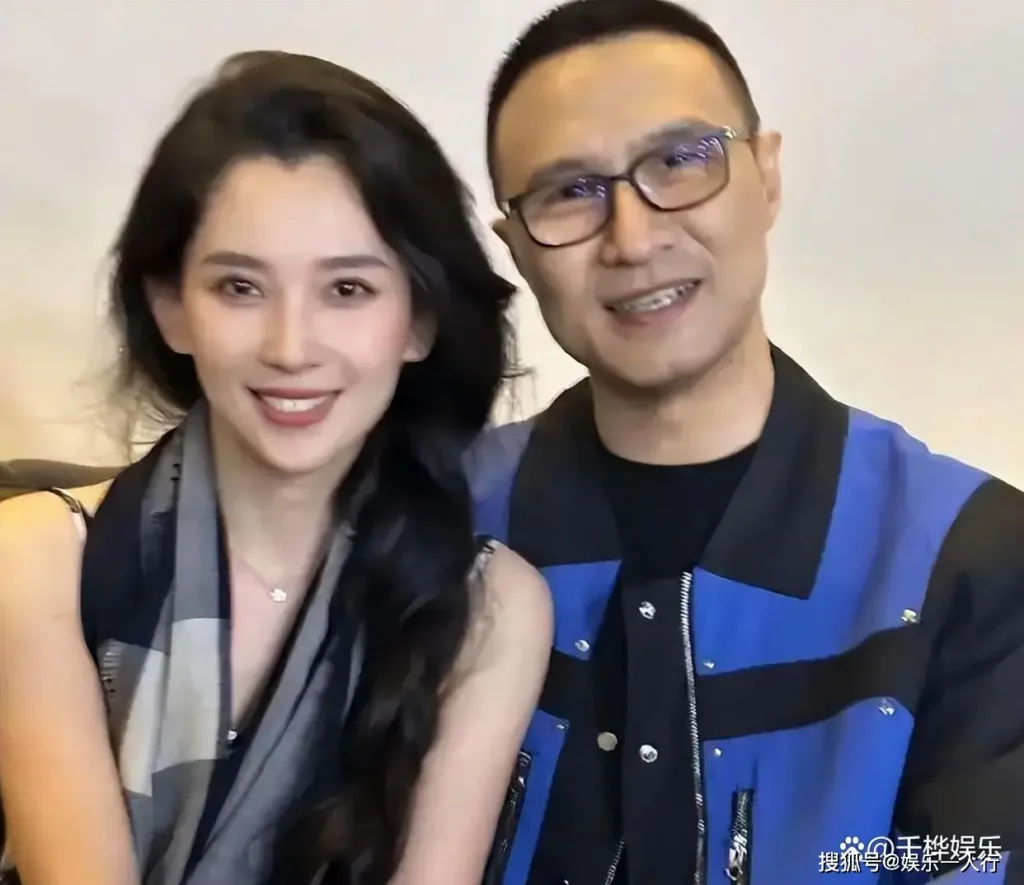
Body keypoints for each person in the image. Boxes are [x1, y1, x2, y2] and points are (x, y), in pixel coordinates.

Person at [468, 1, 1024, 883]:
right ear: (516, 248)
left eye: (679, 160)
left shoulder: (972, 560)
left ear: (766, 176)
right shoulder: (436, 523)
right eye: (570, 191)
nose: (634, 239)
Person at [0, 51, 552, 885]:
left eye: (348, 290)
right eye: (240, 287)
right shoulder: (37, 557)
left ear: (420, 321)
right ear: (171, 308)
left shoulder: (491, 608)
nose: (291, 348)